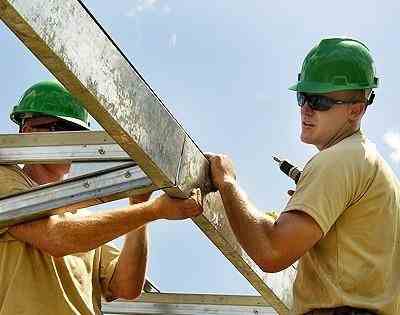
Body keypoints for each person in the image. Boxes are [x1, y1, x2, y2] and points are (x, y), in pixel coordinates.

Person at [207, 38, 400, 315]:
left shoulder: (338, 160)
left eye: (320, 101)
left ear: (356, 109)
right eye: (303, 96)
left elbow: (272, 252)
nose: (306, 108)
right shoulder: (371, 166)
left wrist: (227, 183)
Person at [0, 81, 203, 315]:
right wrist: (152, 211)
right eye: (62, 128)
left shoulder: (81, 219)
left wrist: (139, 207)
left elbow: (125, 286)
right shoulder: (6, 180)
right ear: (27, 130)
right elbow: (55, 237)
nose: (72, 141)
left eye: (77, 133)